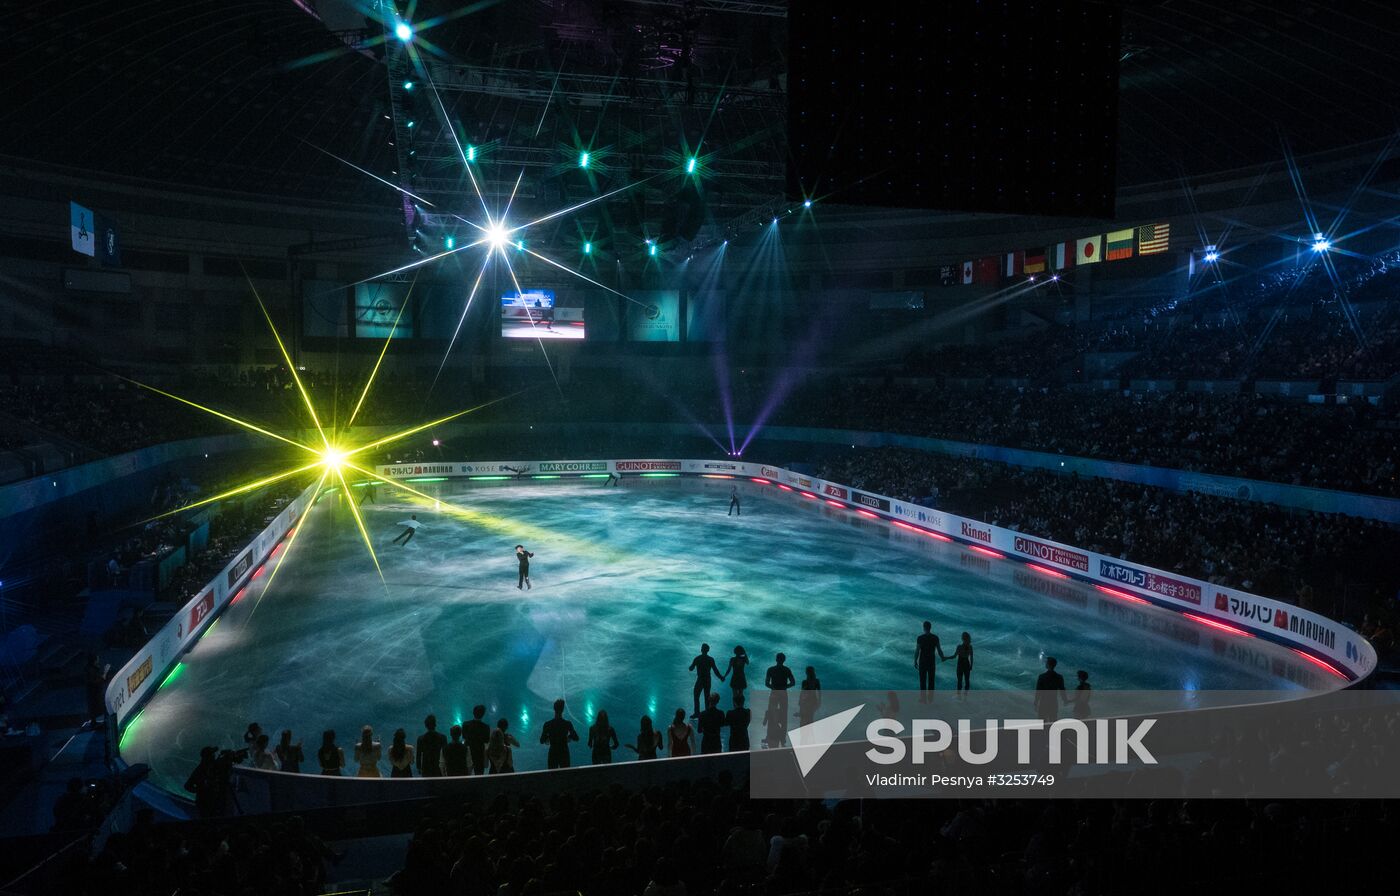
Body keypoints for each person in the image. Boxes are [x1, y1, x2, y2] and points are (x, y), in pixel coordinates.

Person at [763, 653, 796, 747]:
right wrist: (785, 687)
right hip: (783, 693)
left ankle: (770, 735)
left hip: (774, 693)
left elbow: (766, 683)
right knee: (784, 714)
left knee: (771, 713)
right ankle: (782, 738)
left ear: (776, 659)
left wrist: (773, 687)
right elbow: (793, 682)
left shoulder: (770, 669)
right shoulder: (786, 670)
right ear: (784, 660)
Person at [914, 621, 950, 702]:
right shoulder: (935, 637)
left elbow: (917, 651)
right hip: (931, 662)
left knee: (922, 681)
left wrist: (915, 660)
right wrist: (942, 657)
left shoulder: (920, 638)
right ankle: (930, 699)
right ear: (930, 627)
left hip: (923, 662)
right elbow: (939, 650)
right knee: (931, 680)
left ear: (924, 627)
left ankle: (923, 699)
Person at [539, 698, 579, 769]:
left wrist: (548, 738)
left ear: (554, 709)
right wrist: (569, 737)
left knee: (552, 775)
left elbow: (542, 740)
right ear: (563, 710)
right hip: (564, 752)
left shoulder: (548, 724)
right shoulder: (567, 724)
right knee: (565, 775)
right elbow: (576, 738)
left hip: (553, 752)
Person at [689, 643, 723, 717]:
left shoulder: (697, 658)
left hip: (700, 679)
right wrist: (721, 677)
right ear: (708, 650)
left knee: (696, 695)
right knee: (707, 696)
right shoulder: (710, 659)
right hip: (707, 679)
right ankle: (707, 712)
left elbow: (691, 668)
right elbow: (715, 671)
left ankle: (697, 712)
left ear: (701, 650)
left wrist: (691, 666)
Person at [1034, 657, 1066, 723]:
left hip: (1044, 702)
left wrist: (1036, 701)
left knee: (1042, 721)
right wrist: (1065, 700)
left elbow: (1038, 691)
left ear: (1048, 664)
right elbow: (1062, 690)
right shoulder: (1059, 677)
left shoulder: (1042, 676)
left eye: (1046, 662)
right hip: (1053, 702)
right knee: (1053, 720)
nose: (1045, 664)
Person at [83, 654, 109, 729]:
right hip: (94, 692)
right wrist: (104, 673)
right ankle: (94, 724)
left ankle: (96, 722)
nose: (98, 660)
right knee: (95, 707)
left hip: (96, 691)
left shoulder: (92, 668)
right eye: (97, 659)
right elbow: (95, 681)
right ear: (94, 660)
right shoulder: (90, 670)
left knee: (96, 707)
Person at [463, 705, 492, 775]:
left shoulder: (466, 724)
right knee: (479, 774)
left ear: (473, 712)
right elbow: (486, 740)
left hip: (468, 752)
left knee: (466, 774)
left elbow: (464, 736)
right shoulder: (486, 727)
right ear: (483, 714)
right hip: (479, 753)